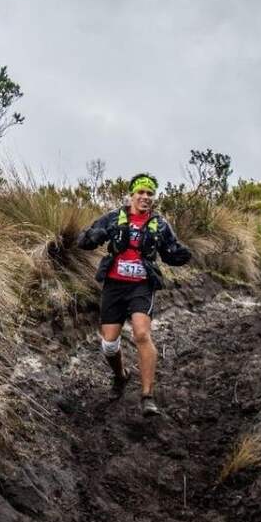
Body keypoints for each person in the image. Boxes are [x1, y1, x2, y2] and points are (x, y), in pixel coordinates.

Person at [77, 173, 191, 416]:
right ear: (131, 195)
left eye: (150, 193)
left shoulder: (159, 223)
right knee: (109, 344)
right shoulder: (113, 218)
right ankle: (121, 376)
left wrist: (182, 254)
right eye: (141, 192)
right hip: (114, 285)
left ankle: (147, 396)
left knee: (141, 333)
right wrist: (91, 237)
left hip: (141, 285)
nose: (145, 197)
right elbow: (84, 241)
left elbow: (171, 251)